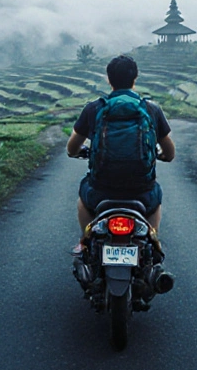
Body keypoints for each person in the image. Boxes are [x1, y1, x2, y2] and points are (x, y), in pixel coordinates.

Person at [67, 55, 175, 244]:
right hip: (141, 190)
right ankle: (153, 241)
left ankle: (86, 240)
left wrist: (78, 152)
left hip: (101, 189)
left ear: (109, 79)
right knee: (155, 201)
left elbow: (71, 147)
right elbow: (170, 152)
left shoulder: (94, 108)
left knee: (83, 201)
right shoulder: (151, 109)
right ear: (135, 78)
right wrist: (162, 155)